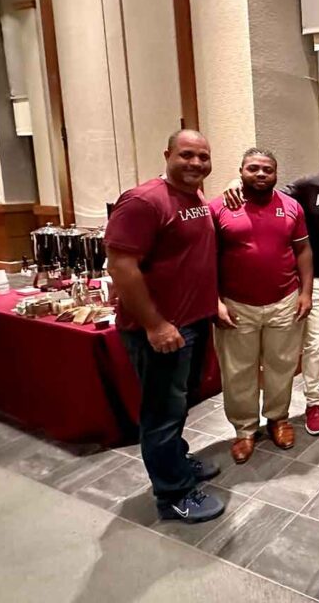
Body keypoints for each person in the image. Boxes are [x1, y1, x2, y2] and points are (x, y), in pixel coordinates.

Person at [105, 130, 224, 524]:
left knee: (180, 403)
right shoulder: (143, 200)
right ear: (167, 153)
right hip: (161, 331)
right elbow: (121, 265)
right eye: (186, 155)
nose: (195, 163)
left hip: (191, 325)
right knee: (161, 414)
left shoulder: (193, 199)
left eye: (203, 157)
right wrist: (155, 324)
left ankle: (178, 463)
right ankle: (173, 495)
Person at [225, 138, 319, 436]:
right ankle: (314, 402)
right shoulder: (308, 185)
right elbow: (266, 191)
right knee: (315, 345)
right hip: (316, 280)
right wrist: (234, 181)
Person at [211, 148, 314, 464]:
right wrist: (214, 302)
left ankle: (278, 418)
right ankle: (244, 429)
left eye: (267, 169)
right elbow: (206, 260)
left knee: (281, 365)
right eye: (253, 168)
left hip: (284, 300)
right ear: (240, 170)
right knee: (237, 370)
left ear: (276, 174)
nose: (260, 174)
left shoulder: (291, 207)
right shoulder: (220, 207)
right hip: (236, 305)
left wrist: (306, 292)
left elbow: (303, 251)